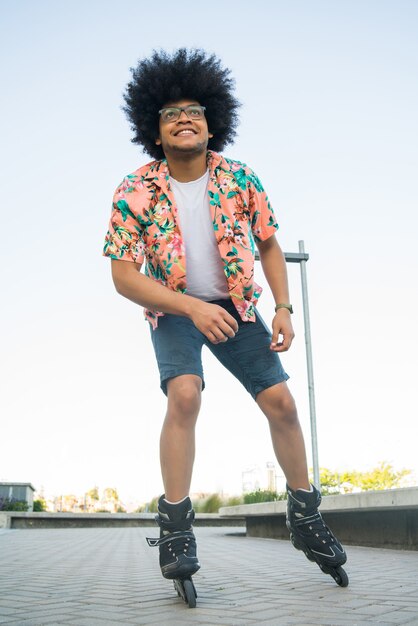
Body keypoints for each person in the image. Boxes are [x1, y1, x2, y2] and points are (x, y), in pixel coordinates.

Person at [103, 48, 347, 584]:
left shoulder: (240, 178)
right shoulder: (134, 189)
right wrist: (188, 305)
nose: (183, 118)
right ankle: (175, 527)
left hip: (236, 308)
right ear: (156, 130)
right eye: (170, 113)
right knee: (185, 393)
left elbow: (270, 247)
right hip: (174, 307)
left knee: (282, 402)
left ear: (212, 125)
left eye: (194, 110)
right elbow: (124, 276)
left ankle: (305, 514)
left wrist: (282, 307)